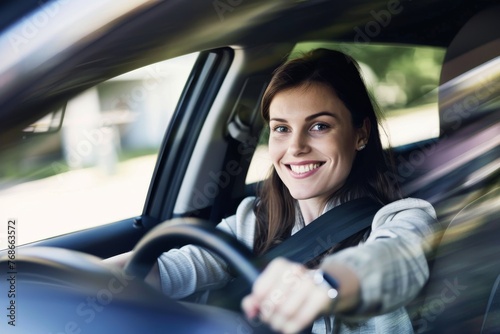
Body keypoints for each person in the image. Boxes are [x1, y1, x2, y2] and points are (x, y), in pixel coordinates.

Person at [106, 48, 438, 334]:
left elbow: (396, 260)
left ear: (360, 134)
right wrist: (84, 275)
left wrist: (327, 284)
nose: (295, 147)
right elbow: (169, 269)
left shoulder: (403, 217)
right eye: (281, 128)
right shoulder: (252, 222)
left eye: (319, 126)